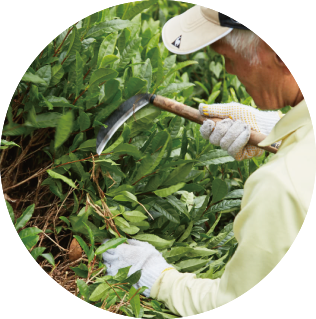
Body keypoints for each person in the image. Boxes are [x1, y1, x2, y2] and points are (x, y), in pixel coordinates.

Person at [101, 6, 315, 316]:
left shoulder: (280, 186)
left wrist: (158, 279)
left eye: (228, 58)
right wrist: (278, 130)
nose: (228, 71)